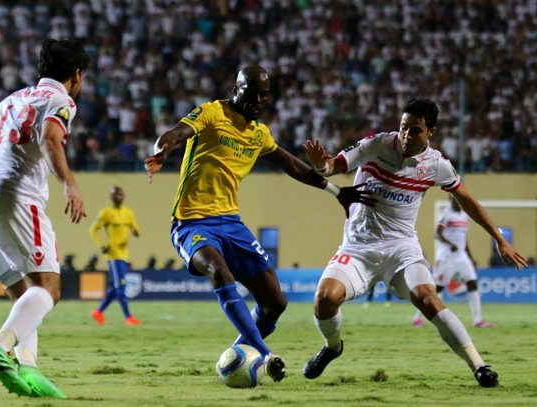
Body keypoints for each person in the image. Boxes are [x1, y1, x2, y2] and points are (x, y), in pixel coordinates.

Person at [144, 65, 374, 383]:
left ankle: (237, 357)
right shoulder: (212, 112)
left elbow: (293, 165)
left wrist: (337, 192)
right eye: (250, 92)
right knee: (218, 271)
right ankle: (264, 354)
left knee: (275, 303)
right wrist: (162, 149)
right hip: (192, 222)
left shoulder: (259, 134)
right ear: (235, 89)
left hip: (231, 223)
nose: (257, 100)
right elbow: (174, 134)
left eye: (263, 95)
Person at [301, 98, 527, 388]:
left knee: (429, 299)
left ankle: (479, 366)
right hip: (358, 246)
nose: (407, 135)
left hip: (402, 249)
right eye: (404, 127)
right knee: (324, 299)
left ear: (431, 131)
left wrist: (499, 238)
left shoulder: (437, 165)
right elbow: (332, 166)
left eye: (415, 130)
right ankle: (332, 347)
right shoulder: (376, 145)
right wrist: (320, 164)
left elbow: (467, 201)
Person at [0, 39, 89, 398]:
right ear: (77, 74)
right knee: (49, 289)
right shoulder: (61, 100)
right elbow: (50, 138)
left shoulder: (12, 99)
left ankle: (29, 367)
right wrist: (70, 185)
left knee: (23, 295)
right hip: (16, 197)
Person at [412, 196, 493, 327]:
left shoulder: (464, 215)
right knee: (437, 288)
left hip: (461, 255)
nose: (457, 201)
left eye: (458, 198)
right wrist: (450, 244)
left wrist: (470, 257)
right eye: (454, 198)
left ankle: (477, 320)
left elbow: (464, 238)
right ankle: (417, 317)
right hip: (447, 256)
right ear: (450, 199)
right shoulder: (445, 213)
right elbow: (437, 233)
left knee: (472, 283)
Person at [89, 186, 141, 326]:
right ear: (111, 197)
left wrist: (135, 232)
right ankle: (128, 317)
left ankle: (98, 312)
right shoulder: (106, 213)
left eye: (120, 193)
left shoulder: (128, 212)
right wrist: (101, 245)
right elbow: (93, 230)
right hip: (113, 255)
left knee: (114, 287)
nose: (118, 196)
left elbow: (135, 228)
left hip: (125, 255)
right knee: (121, 285)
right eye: (115, 194)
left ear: (124, 196)